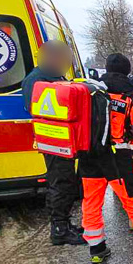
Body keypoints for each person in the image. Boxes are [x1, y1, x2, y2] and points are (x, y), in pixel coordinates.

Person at [79, 53, 133, 263]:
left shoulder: (89, 93)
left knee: (91, 202)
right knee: (132, 198)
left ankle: (97, 249)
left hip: (89, 155)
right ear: (128, 71)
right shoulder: (131, 97)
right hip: (118, 156)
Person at [22, 40, 85, 246]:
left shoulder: (53, 76)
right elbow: (39, 109)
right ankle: (59, 229)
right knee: (60, 183)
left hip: (64, 141)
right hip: (54, 140)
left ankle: (64, 224)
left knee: (65, 182)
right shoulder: (37, 79)